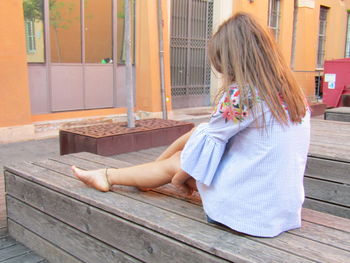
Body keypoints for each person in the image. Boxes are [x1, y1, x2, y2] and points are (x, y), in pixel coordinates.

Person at [72, 12, 310, 237]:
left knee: (179, 158)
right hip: (281, 210)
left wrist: (176, 176)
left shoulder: (244, 95)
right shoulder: (293, 94)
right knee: (197, 137)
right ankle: (132, 174)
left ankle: (111, 175)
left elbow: (195, 155)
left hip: (246, 212)